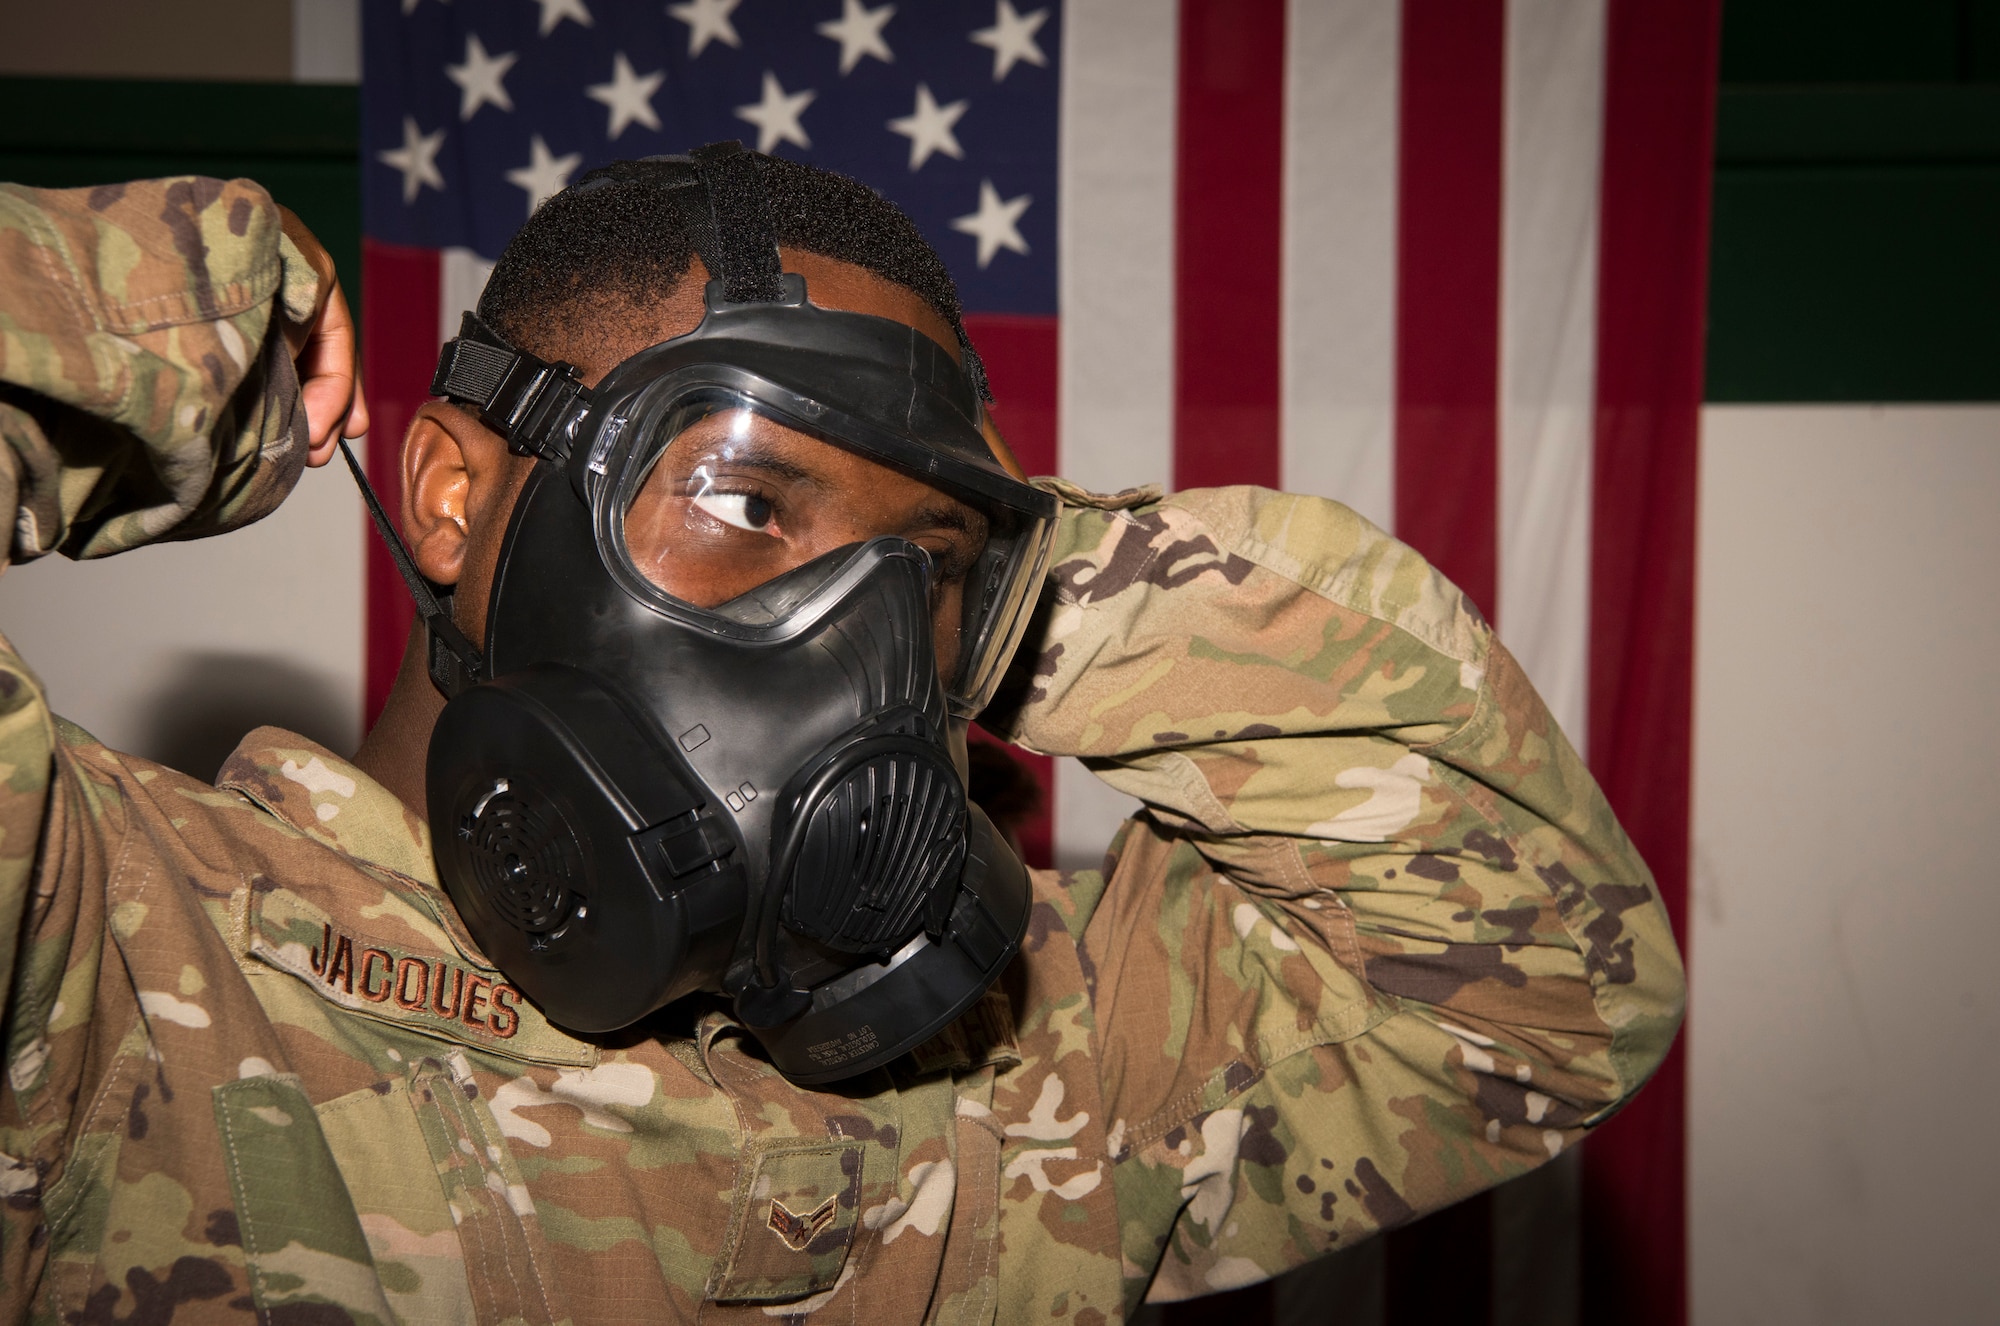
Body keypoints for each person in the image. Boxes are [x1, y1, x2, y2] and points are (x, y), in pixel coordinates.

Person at [0, 154, 1684, 1324]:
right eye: (744, 497)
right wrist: (160, 330)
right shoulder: (104, 967)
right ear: (453, 492)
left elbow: (1544, 980)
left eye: (919, 580)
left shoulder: (1029, 1081)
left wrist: (1022, 583)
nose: (854, 654)